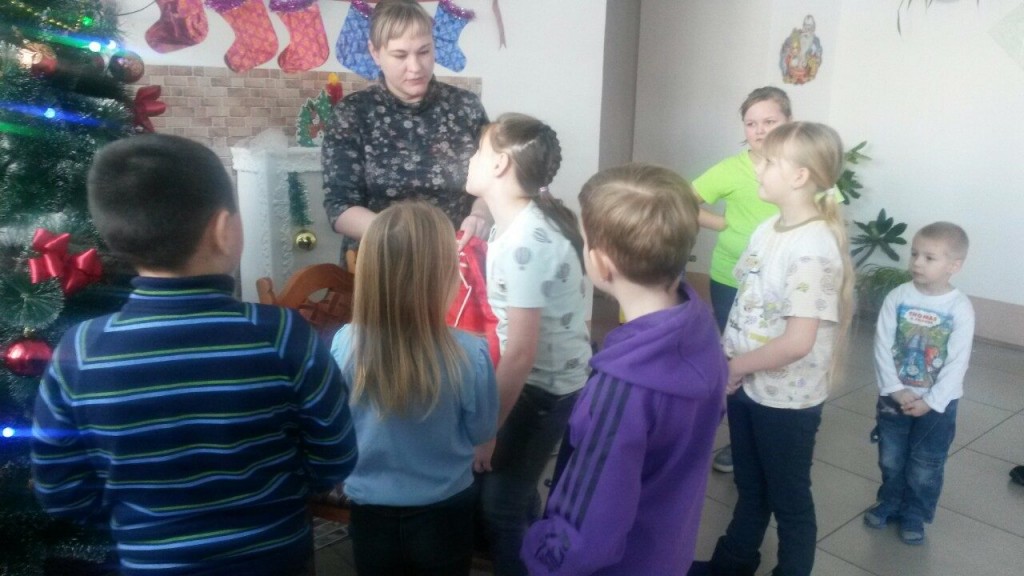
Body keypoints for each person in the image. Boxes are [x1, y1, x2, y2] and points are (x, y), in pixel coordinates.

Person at [30, 134, 358, 576]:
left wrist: (140, 519)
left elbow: (61, 491)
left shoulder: (81, 349)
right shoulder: (281, 334)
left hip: (151, 564)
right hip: (275, 557)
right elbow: (335, 455)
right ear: (224, 230)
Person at [520, 164, 728, 575]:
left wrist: (536, 552)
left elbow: (585, 534)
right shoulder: (700, 328)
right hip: (666, 550)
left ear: (600, 263)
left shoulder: (623, 390)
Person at [694, 122, 854, 576]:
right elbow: (751, 301)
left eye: (768, 161)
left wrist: (736, 367)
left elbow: (798, 342)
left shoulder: (813, 246)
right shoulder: (768, 228)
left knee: (789, 500)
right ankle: (732, 563)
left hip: (784, 399)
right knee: (751, 486)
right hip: (748, 384)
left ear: (800, 176)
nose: (757, 168)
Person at [330, 200, 498, 575]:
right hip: (445, 508)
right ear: (446, 276)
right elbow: (482, 431)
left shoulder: (344, 343)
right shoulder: (472, 353)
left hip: (369, 508)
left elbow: (336, 425)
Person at [466, 113, 591, 576]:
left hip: (542, 390)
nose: (470, 159)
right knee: (511, 494)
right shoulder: (520, 223)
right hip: (540, 383)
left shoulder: (525, 242)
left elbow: (520, 353)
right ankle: (537, 551)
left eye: (478, 151)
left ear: (499, 164)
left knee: (499, 507)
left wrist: (488, 431)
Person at [321, 0, 490, 257]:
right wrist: (404, 237)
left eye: (424, 51)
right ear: (375, 53)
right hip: (383, 261)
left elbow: (493, 184)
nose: (415, 67)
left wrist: (480, 215)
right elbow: (339, 207)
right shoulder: (353, 113)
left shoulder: (466, 107)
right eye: (400, 55)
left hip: (456, 258)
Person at [694, 86, 793, 474]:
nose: (760, 130)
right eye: (751, 123)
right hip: (731, 280)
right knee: (735, 360)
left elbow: (829, 214)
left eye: (770, 121)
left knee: (772, 357)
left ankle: (767, 437)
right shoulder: (731, 168)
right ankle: (738, 444)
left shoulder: (806, 166)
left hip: (784, 283)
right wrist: (724, 224)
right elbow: (682, 199)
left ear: (789, 122)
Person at [864, 222, 974, 545]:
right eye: (914, 254)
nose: (917, 263)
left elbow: (957, 363)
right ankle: (890, 501)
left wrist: (931, 401)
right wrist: (896, 389)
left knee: (926, 462)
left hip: (937, 406)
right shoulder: (898, 297)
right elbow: (882, 345)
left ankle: (915, 513)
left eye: (929, 257)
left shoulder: (959, 308)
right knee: (891, 455)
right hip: (894, 397)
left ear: (954, 266)